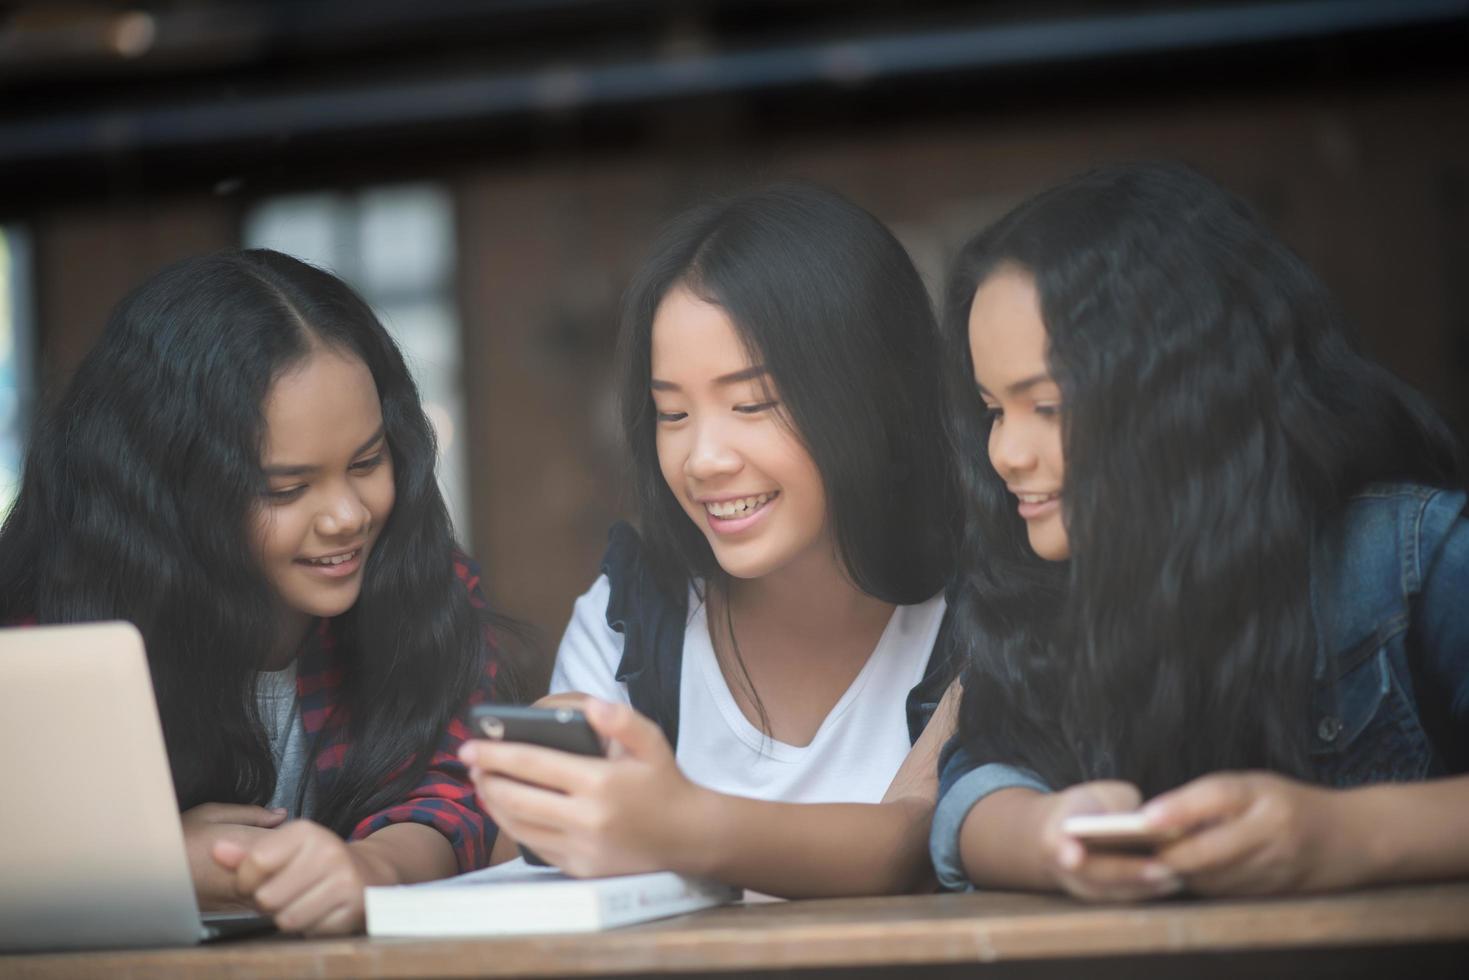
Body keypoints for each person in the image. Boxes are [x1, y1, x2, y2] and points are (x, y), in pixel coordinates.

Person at [930, 162, 1469, 900]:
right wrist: (1048, 835)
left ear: (1182, 395)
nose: (1004, 454)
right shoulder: (1039, 580)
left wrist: (1345, 834)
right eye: (993, 409)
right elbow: (975, 786)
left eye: (1046, 407)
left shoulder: (1410, 559)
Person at [461, 183, 963, 896]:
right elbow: (521, 879)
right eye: (671, 413)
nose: (702, 459)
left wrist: (676, 824)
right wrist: (543, 802)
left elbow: (911, 837)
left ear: (872, 395)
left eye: (750, 403)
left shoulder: (981, 613)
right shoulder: (632, 618)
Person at [0, 249, 517, 935]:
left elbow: (453, 789)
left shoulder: (422, 583)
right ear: (172, 490)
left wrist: (367, 871)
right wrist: (150, 862)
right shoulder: (54, 630)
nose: (346, 517)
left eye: (367, 461)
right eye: (286, 488)